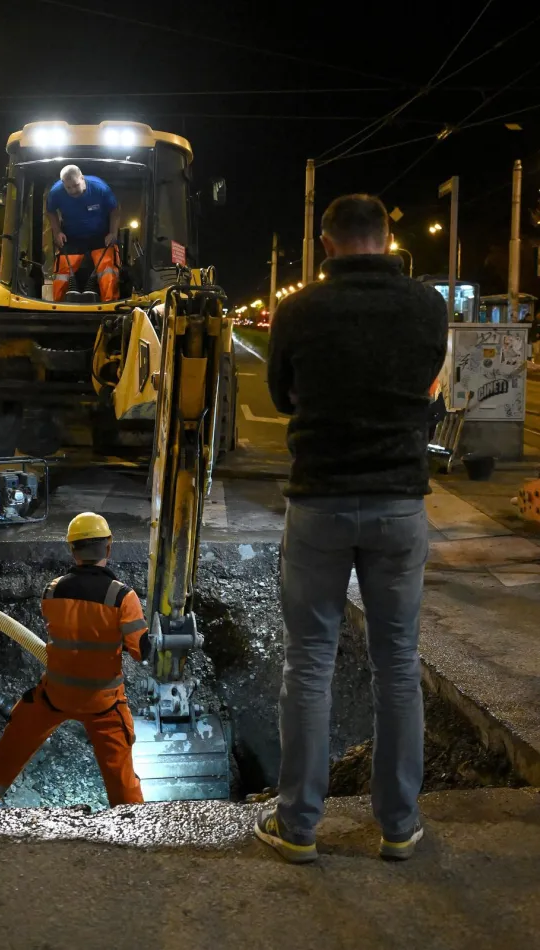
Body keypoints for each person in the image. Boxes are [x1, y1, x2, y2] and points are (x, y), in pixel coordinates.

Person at [256, 194, 448, 863]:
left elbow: (282, 395)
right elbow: (429, 389)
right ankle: (399, 825)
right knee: (399, 665)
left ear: (327, 242)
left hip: (320, 503)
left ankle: (298, 827)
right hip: (399, 504)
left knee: (308, 662)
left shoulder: (300, 309)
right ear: (388, 236)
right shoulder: (428, 306)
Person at [0, 512, 149, 811]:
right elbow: (140, 651)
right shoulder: (122, 597)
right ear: (108, 547)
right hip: (103, 702)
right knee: (119, 772)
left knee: (13, 746)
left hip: (54, 695)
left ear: (72, 550)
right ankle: (131, 822)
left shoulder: (52, 590)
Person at [46, 165, 120, 302]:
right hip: (72, 237)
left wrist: (112, 233)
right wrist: (57, 232)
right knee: (62, 270)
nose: (73, 191)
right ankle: (58, 305)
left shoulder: (100, 188)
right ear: (63, 184)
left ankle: (109, 304)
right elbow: (50, 211)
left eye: (76, 185)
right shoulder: (55, 192)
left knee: (107, 267)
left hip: (101, 236)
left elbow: (115, 210)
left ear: (82, 178)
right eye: (68, 187)